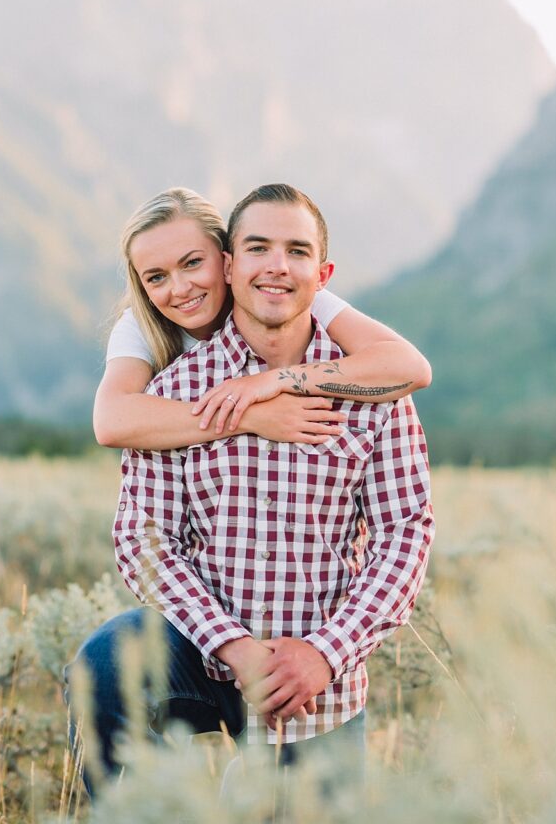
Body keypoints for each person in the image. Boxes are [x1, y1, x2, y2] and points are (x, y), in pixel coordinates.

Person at [71, 184, 434, 783]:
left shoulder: (370, 386)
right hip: (202, 650)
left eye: (295, 251)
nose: (276, 266)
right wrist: (232, 646)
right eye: (259, 248)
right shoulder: (166, 387)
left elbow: (405, 532)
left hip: (318, 677)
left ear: (323, 273)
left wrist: (326, 652)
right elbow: (146, 541)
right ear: (234, 265)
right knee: (105, 668)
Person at [93, 187, 432, 452]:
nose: (180, 288)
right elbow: (111, 421)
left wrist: (275, 381)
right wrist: (248, 416)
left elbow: (410, 367)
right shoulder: (139, 326)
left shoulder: (281, 295)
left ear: (228, 260)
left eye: (193, 263)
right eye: (156, 278)